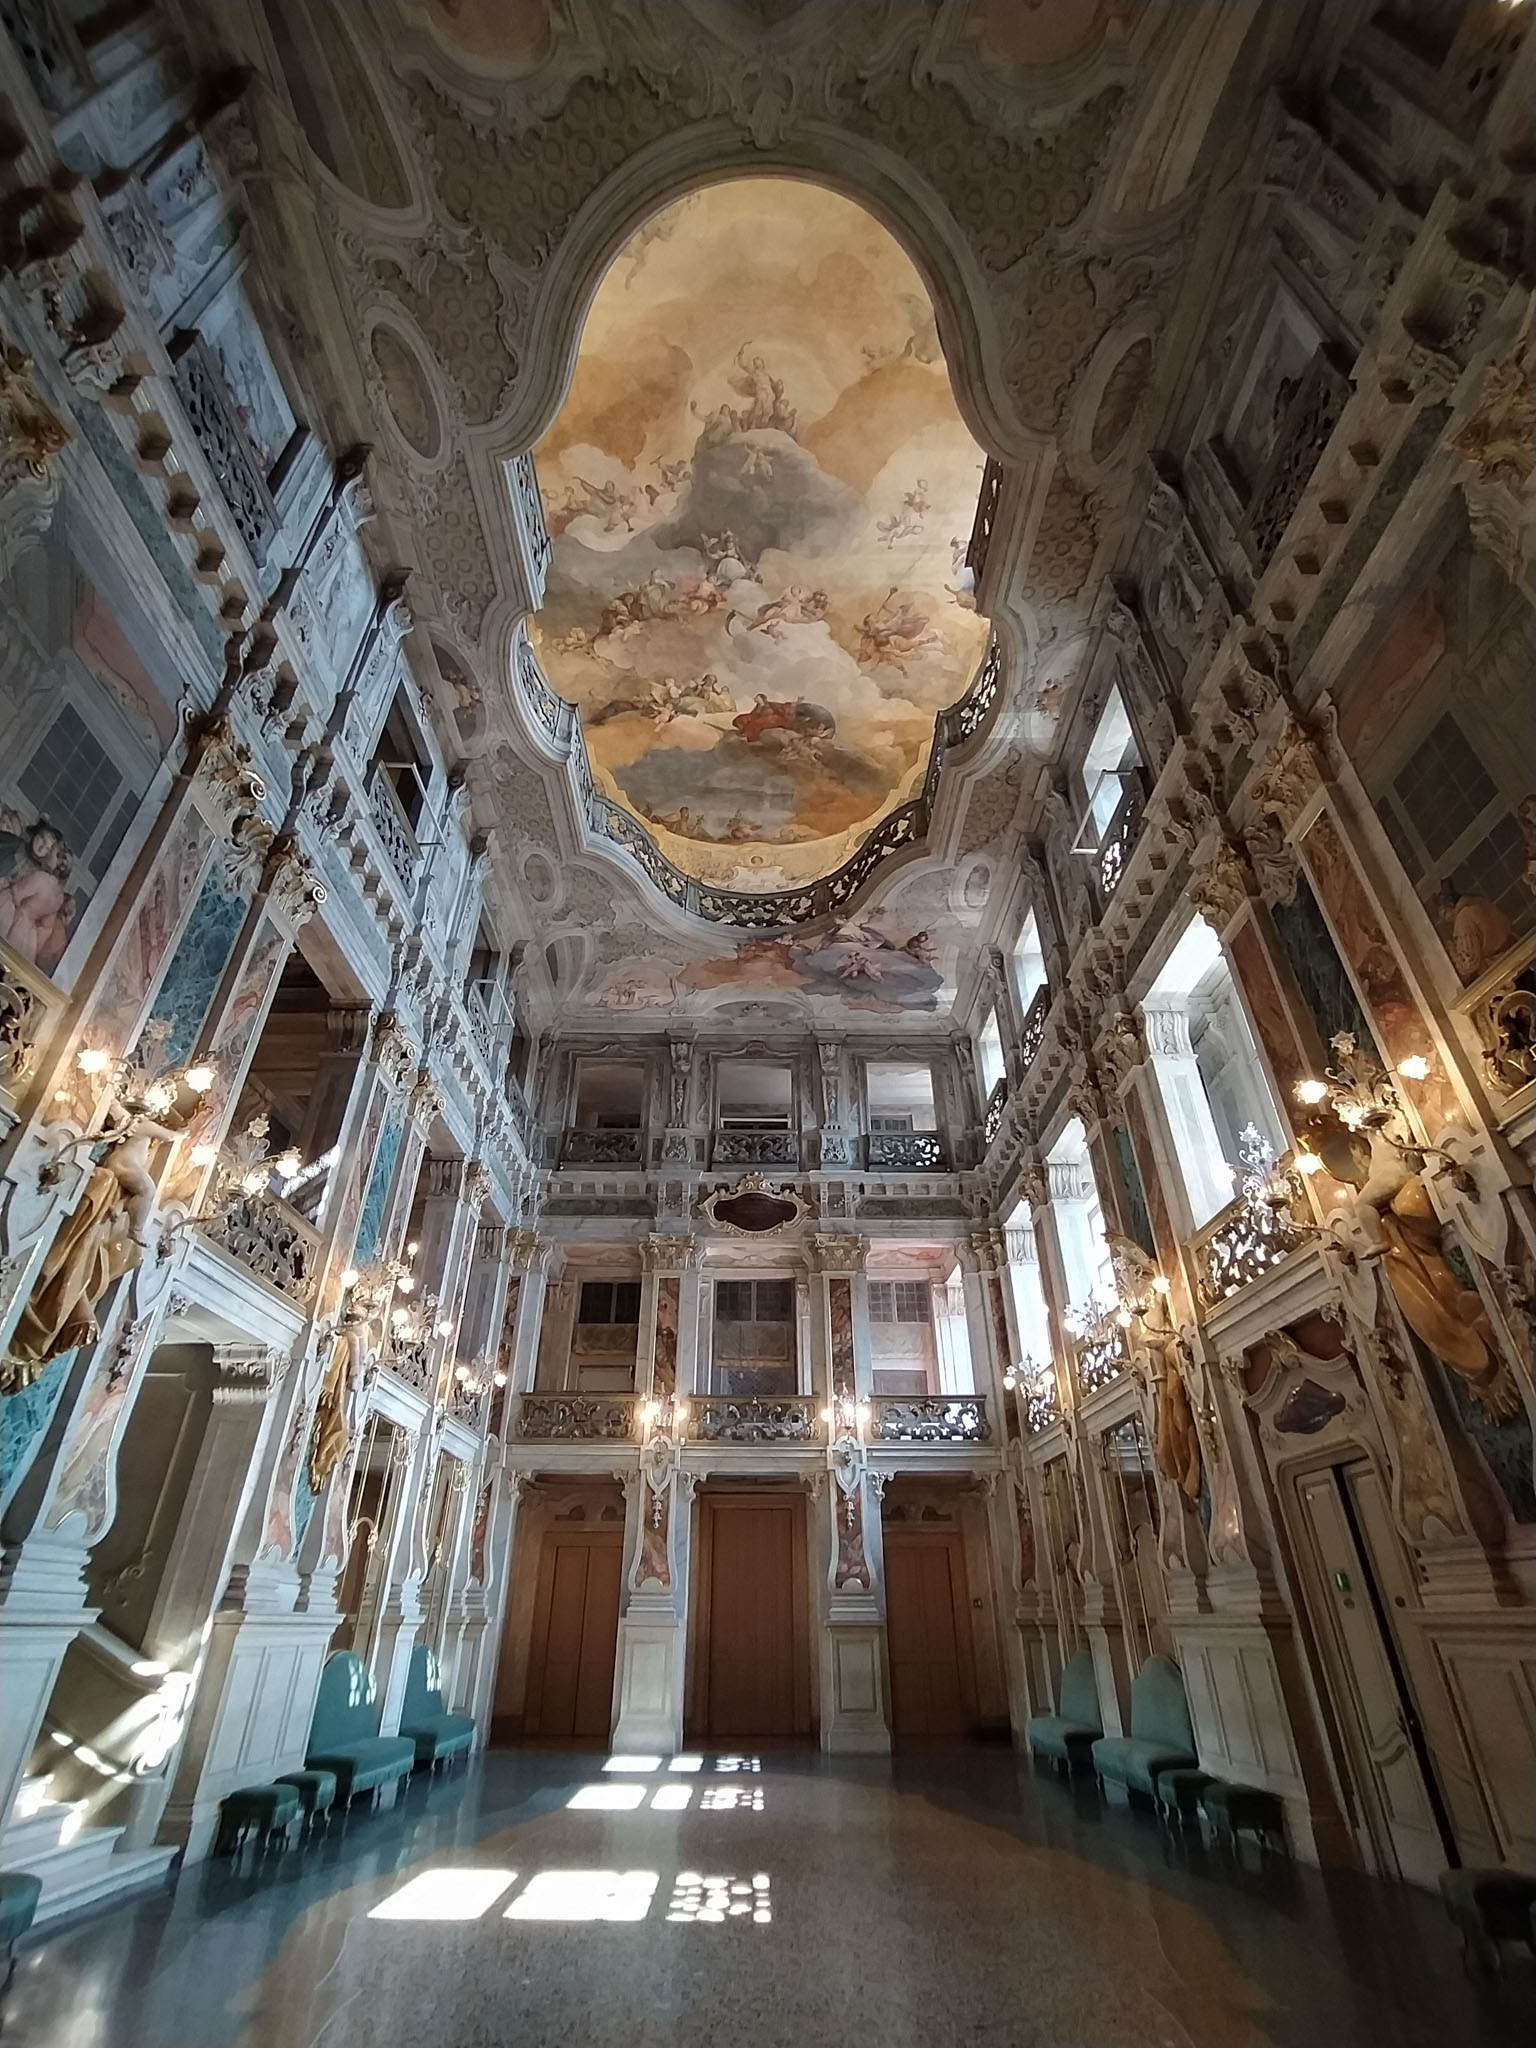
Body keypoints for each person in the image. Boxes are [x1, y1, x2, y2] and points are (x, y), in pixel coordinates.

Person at [0, 812, 76, 973]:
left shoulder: (40, 876)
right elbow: (45, 929)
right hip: (28, 936)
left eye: (50, 849)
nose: (45, 849)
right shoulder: (58, 895)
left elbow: (17, 893)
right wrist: (33, 944)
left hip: (13, 915)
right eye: (43, 841)